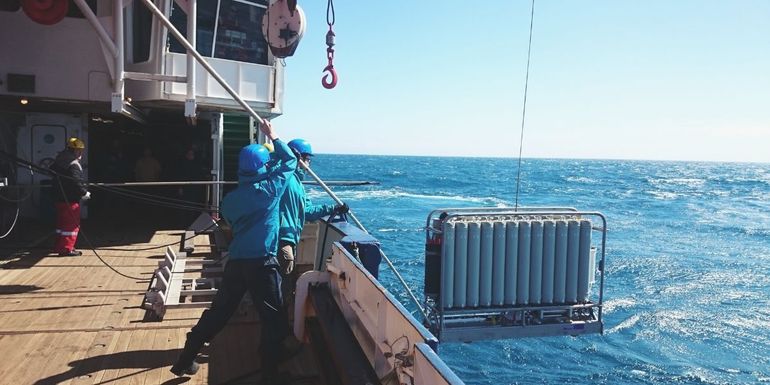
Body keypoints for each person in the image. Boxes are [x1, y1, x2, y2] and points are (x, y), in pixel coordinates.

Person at [170, 120, 297, 382]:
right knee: (273, 320)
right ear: (263, 167)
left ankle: (186, 358)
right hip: (262, 264)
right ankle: (270, 375)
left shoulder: (230, 200)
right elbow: (290, 161)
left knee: (219, 313)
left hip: (237, 263)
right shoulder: (270, 190)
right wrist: (273, 136)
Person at [278, 139, 348, 284]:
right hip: (281, 237)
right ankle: (281, 306)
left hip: (287, 236)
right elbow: (307, 212)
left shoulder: (294, 182)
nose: (309, 163)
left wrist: (332, 208)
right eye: (308, 159)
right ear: (299, 158)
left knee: (283, 278)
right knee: (282, 279)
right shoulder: (288, 180)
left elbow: (307, 210)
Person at [50, 137, 89, 257]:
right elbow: (76, 182)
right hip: (70, 200)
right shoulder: (73, 164)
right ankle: (67, 249)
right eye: (79, 150)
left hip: (59, 198)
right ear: (74, 151)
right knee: (71, 226)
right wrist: (84, 193)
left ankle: (59, 246)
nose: (81, 153)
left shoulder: (59, 160)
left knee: (61, 225)